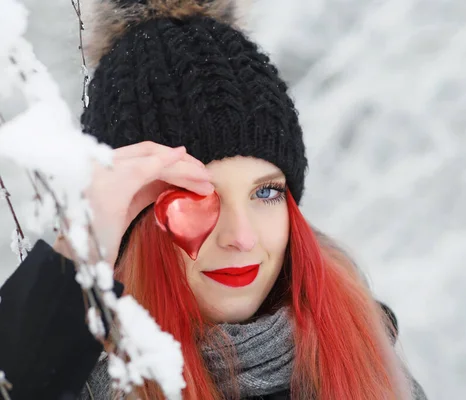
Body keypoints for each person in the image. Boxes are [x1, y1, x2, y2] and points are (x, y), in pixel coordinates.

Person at [0, 0, 428, 399]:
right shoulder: (75, 383)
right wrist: (81, 247)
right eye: (197, 197)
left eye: (266, 192)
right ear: (130, 216)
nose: (241, 237)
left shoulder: (373, 364)